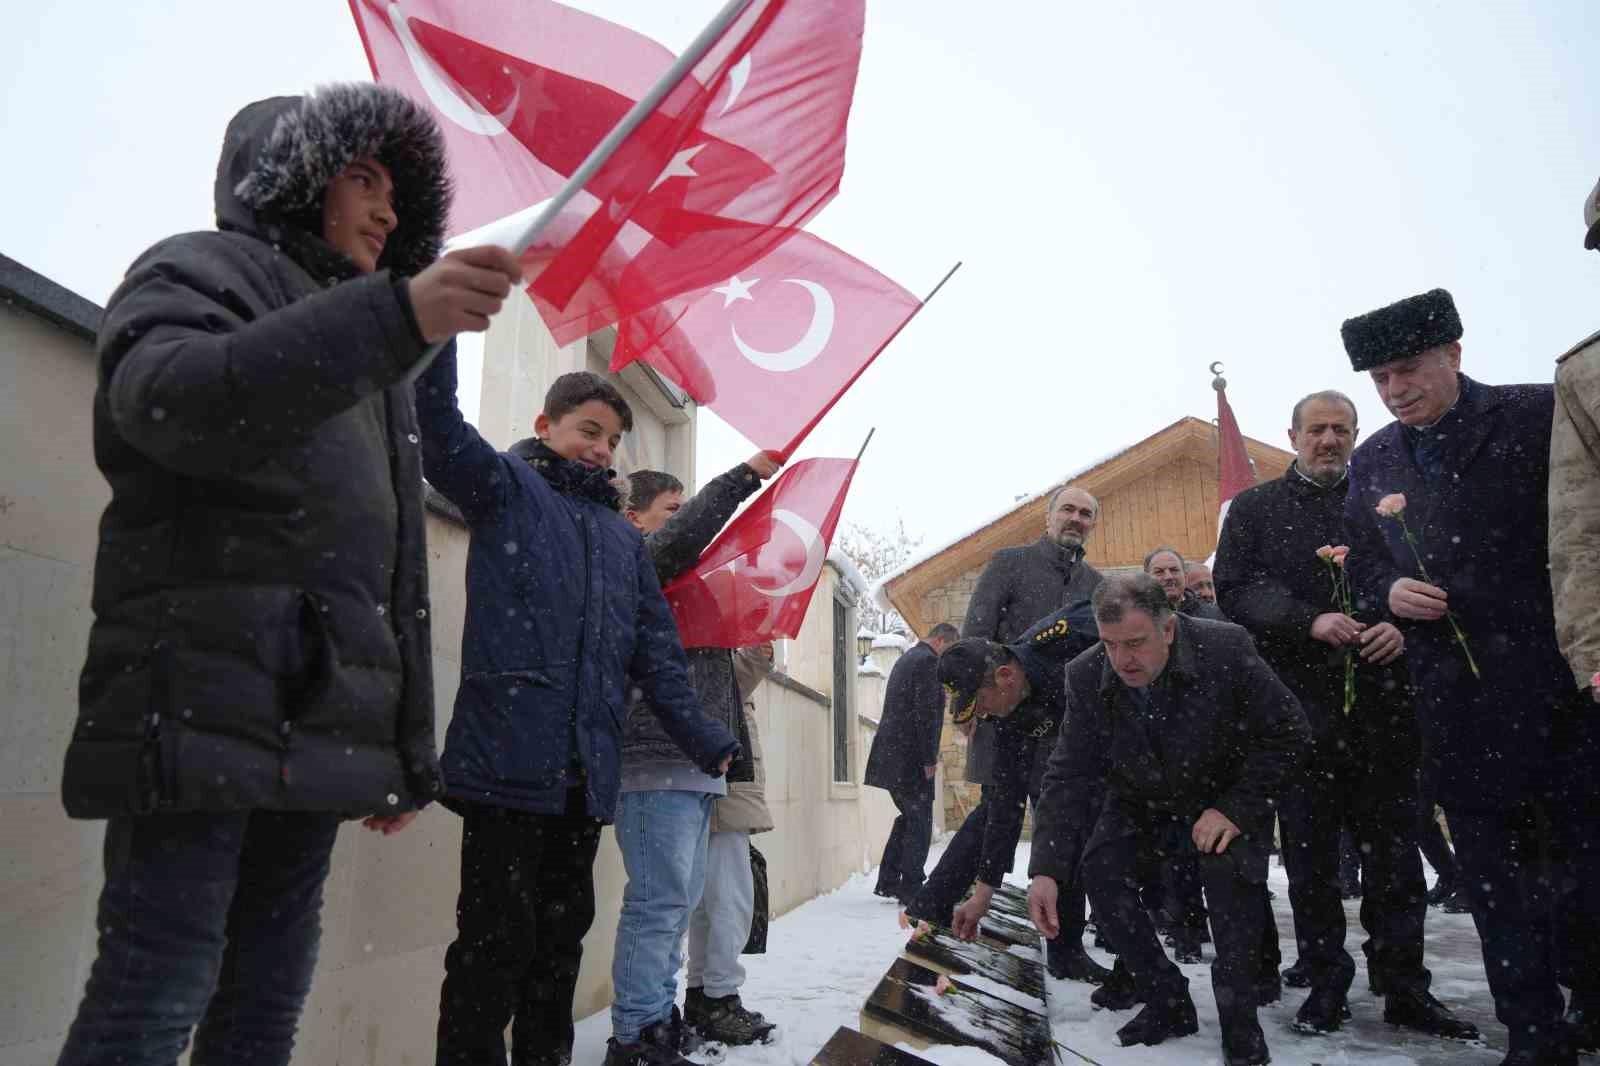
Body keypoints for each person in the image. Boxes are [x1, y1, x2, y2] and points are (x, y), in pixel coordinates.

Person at [51, 84, 506, 1065]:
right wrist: (389, 322)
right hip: (195, 711)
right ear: (297, 176)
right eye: (361, 178)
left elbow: (389, 576)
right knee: (152, 996)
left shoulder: (375, 358)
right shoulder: (198, 266)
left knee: (263, 1010)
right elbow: (167, 403)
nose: (387, 210)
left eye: (397, 191)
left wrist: (401, 749)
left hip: (315, 736)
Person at [415, 352, 739, 1063]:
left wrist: (703, 735)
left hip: (582, 778)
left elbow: (656, 654)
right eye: (587, 430)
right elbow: (435, 427)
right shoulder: (506, 487)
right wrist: (432, 328)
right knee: (492, 948)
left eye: (612, 439)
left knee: (558, 949)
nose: (600, 448)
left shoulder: (624, 539)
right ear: (545, 425)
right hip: (504, 764)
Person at [1341, 288, 1600, 1066]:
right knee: (1492, 881)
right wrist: (1385, 592)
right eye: (1380, 379)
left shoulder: (1536, 415)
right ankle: (1531, 1029)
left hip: (1556, 695)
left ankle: (1589, 997)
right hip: (1453, 706)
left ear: (1454, 352)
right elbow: (1358, 566)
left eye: (1408, 369)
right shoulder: (1373, 460)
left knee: (1580, 869)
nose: (1395, 391)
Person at [1214, 389, 1477, 1039]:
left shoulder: (1388, 502)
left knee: (1394, 861)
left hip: (1386, 714)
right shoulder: (1255, 510)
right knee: (1311, 864)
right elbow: (1237, 589)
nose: (1329, 440)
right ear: (1294, 435)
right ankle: (1325, 984)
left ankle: (1404, 987)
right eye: (1316, 430)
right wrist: (1310, 620)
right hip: (1300, 717)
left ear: (1357, 434)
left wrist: (1399, 629)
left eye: (1341, 429)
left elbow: (1427, 575)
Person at [1026, 574, 1311, 1066]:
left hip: (1224, 798)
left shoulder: (1227, 648)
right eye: (1111, 645)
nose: (1123, 660)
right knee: (1101, 870)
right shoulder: (1086, 673)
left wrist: (1236, 808)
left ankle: (1239, 1022)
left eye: (1135, 643)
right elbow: (1067, 774)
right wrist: (1045, 869)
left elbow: (1291, 734)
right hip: (1142, 802)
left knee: (1230, 887)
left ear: (1169, 630)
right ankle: (1166, 996)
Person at [608, 459, 781, 1063]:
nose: (690, 533)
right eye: (671, 513)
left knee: (674, 905)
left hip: (695, 765)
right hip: (655, 759)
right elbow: (684, 539)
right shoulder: (637, 561)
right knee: (657, 906)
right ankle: (636, 1035)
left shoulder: (683, 586)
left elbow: (727, 678)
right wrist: (746, 477)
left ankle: (658, 1025)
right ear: (634, 520)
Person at [932, 485, 1107, 982]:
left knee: (1064, 823)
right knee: (997, 810)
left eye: (1085, 513)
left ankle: (1065, 945)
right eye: (1067, 510)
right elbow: (975, 639)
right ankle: (940, 903)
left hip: (1075, 722)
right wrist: (969, 708)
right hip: (1003, 707)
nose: (1076, 519)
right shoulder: (1010, 562)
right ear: (1048, 517)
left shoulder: (1094, 582)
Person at [685, 644, 781, 1046]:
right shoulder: (707, 640)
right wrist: (760, 648)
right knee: (730, 899)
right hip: (725, 785)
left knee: (710, 902)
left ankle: (702, 994)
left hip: (715, 784)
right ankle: (719, 996)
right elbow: (730, 685)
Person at [866, 623, 960, 905]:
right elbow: (926, 714)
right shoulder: (929, 663)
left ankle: (890, 880)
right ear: (941, 641)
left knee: (910, 817)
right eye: (950, 650)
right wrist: (929, 759)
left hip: (892, 755)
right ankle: (911, 887)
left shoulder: (908, 658)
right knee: (920, 820)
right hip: (909, 759)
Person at [1145, 546, 1226, 621]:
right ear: (1146, 578)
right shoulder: (1139, 617)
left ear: (1185, 576)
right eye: (1159, 572)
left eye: (1174, 570)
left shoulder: (1213, 616)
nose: (1168, 577)